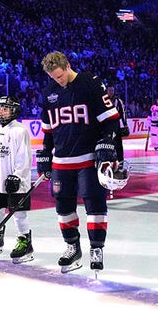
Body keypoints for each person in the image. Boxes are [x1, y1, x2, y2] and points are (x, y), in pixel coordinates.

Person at [38, 51, 120, 274]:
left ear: (67, 66)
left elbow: (111, 120)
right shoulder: (49, 92)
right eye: (54, 78)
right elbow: (48, 130)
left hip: (88, 159)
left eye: (60, 76)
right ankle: (72, 246)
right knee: (63, 207)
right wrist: (45, 152)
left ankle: (96, 248)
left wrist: (106, 142)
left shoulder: (90, 83)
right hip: (61, 161)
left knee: (94, 203)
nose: (58, 81)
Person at [0, 96, 34, 263]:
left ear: (14, 110)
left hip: (16, 180)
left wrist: (17, 175)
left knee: (18, 212)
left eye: (5, 108)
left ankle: (25, 242)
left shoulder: (20, 130)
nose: (1, 111)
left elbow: (24, 156)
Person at [106, 84, 130, 167]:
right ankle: (109, 161)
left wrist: (125, 124)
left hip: (116, 125)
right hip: (106, 125)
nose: (111, 92)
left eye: (112, 90)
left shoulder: (118, 100)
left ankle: (120, 161)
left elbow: (123, 113)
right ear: (107, 91)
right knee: (108, 144)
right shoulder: (103, 100)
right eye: (109, 90)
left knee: (118, 144)